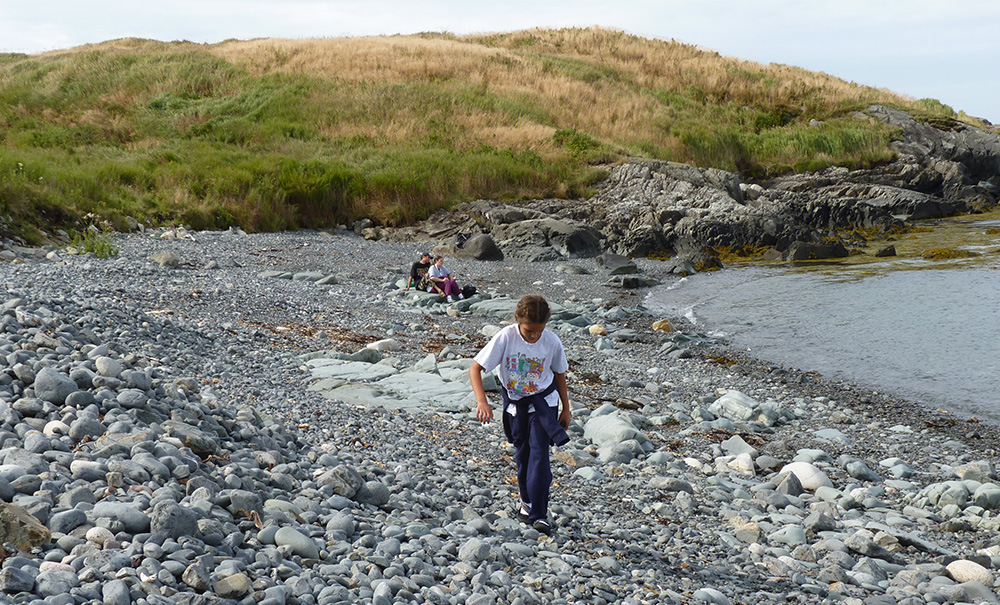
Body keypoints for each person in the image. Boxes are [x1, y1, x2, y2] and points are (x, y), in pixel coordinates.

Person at [469, 295, 571, 535]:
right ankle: (527, 504)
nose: (533, 336)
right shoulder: (506, 337)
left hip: (544, 403)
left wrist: (566, 408)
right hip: (515, 405)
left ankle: (540, 514)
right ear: (518, 321)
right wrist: (482, 401)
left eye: (538, 331)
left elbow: (559, 375)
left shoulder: (552, 342)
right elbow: (475, 368)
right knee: (522, 455)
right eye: (528, 331)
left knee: (539, 455)